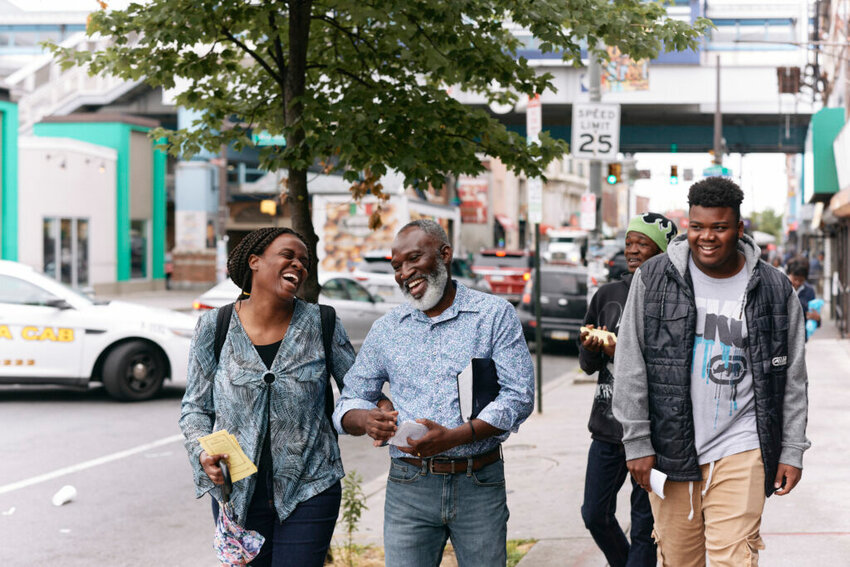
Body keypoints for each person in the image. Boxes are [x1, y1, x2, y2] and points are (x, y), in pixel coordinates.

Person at [612, 177, 811, 566]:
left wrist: (791, 449)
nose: (707, 237)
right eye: (697, 226)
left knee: (733, 559)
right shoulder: (653, 279)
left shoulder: (774, 288)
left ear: (739, 229)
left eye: (719, 228)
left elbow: (793, 379)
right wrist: (636, 441)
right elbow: (631, 363)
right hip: (671, 452)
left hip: (743, 446)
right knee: (680, 560)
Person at [179, 227, 388, 566]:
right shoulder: (213, 326)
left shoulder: (322, 323)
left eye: (304, 260)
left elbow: (358, 388)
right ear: (255, 262)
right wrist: (201, 450)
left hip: (310, 486)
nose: (299, 264)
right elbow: (195, 409)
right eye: (288, 255)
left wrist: (377, 409)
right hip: (237, 493)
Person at [333, 219, 534, 567]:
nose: (405, 272)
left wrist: (457, 436)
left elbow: (519, 396)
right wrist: (368, 419)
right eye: (397, 266)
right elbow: (349, 400)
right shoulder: (387, 329)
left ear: (444, 254)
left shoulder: (493, 315)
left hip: (479, 482)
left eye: (414, 259)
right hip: (409, 486)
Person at [578, 212, 678, 567]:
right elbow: (587, 366)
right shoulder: (608, 294)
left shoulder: (672, 298)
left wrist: (617, 350)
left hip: (653, 434)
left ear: (663, 251)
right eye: (629, 243)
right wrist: (591, 344)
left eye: (643, 244)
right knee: (594, 513)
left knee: (644, 526)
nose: (632, 250)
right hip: (607, 428)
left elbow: (670, 364)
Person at [787, 255, 822, 336]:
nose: (798, 283)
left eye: (801, 280)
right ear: (789, 274)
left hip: (801, 337)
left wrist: (817, 319)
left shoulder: (809, 291)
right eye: (795, 279)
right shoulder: (781, 288)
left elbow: (816, 320)